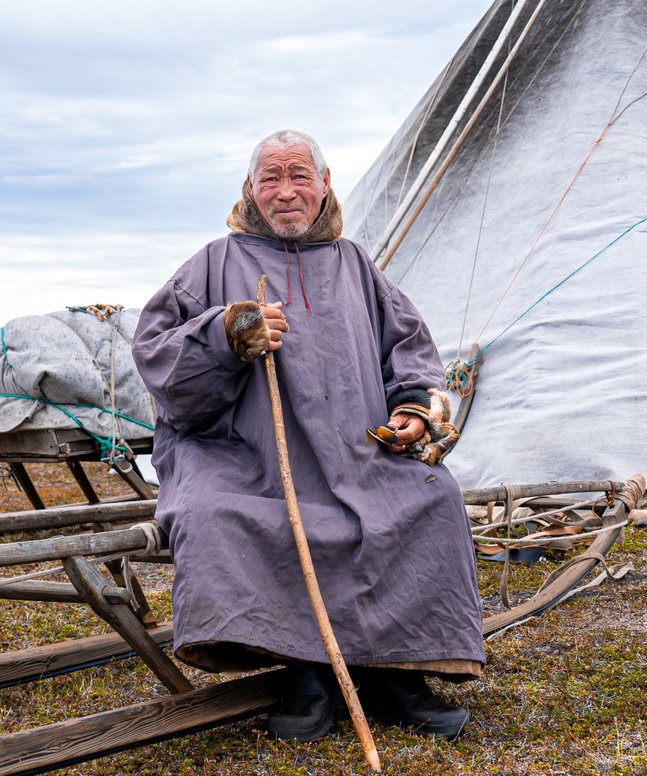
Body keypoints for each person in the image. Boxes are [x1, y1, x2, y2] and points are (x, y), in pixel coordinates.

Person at [131, 129, 486, 743]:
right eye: (271, 177)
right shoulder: (214, 262)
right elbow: (158, 358)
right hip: (245, 455)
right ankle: (308, 670)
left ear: (325, 185)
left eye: (301, 176)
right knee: (220, 513)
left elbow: (411, 351)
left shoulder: (355, 265)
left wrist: (412, 410)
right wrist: (226, 332)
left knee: (429, 497)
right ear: (250, 188)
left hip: (356, 451)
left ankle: (396, 669)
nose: (286, 191)